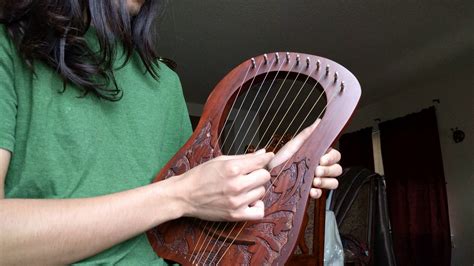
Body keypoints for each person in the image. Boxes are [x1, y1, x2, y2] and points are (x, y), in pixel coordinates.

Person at [0, 1, 342, 265]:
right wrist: (180, 194)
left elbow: (192, 227)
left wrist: (274, 176)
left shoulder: (164, 83)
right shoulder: (9, 45)